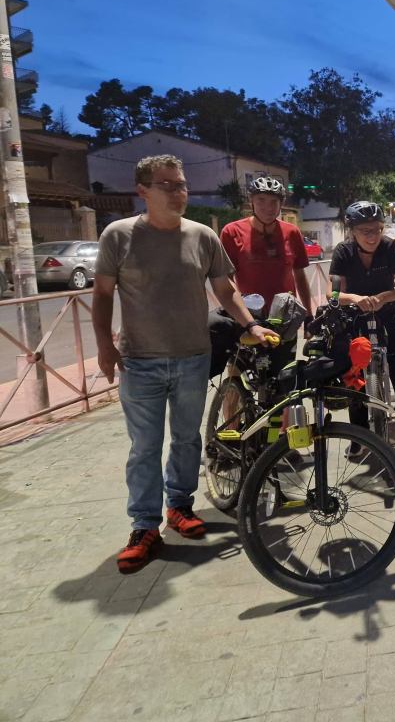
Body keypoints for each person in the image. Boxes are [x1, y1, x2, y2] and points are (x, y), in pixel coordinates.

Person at [93, 155, 277, 574]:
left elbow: (225, 290)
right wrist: (104, 345)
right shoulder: (118, 235)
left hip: (193, 356)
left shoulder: (201, 236)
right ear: (143, 191)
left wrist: (251, 324)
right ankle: (144, 526)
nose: (179, 193)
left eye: (182, 185)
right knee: (144, 446)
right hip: (140, 360)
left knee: (186, 439)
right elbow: (102, 294)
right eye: (168, 185)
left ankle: (179, 505)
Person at [330, 201, 395, 458]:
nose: (372, 236)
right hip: (354, 317)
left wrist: (385, 297)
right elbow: (333, 293)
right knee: (353, 375)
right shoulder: (343, 252)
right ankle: (358, 437)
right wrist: (355, 298)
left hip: (386, 314)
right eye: (365, 230)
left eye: (377, 229)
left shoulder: (389, 247)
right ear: (352, 231)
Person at [219, 176, 313, 318]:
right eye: (261, 200)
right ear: (251, 201)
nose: (268, 207)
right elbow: (227, 280)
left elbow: (300, 276)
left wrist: (309, 314)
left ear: (281, 204)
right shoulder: (232, 232)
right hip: (250, 316)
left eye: (274, 201)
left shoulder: (292, 232)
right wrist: (238, 315)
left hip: (285, 316)